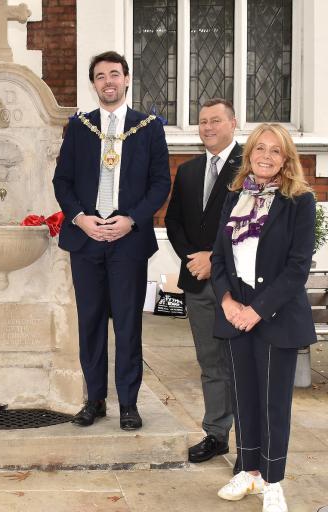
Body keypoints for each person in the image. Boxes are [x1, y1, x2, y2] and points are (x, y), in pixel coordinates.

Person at [52, 51, 170, 430]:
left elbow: (160, 183)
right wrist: (81, 219)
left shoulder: (147, 128)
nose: (108, 82)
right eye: (100, 76)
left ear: (127, 79)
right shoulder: (80, 128)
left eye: (114, 74)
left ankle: (129, 404)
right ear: (93, 84)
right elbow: (62, 181)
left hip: (128, 241)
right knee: (90, 323)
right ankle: (95, 400)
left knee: (128, 325)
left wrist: (131, 220)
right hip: (86, 240)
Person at [212, 123, 316, 512]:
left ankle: (273, 482)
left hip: (275, 316)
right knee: (244, 399)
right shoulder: (235, 195)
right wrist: (226, 301)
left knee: (273, 404)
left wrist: (257, 310)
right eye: (260, 148)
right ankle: (250, 471)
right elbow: (219, 257)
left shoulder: (300, 201)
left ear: (286, 158)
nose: (266, 156)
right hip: (235, 314)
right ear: (249, 154)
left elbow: (297, 268)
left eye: (275, 150)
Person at [165, 98, 241, 469]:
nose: (208, 127)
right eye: (203, 121)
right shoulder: (189, 170)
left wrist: (215, 258)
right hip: (197, 283)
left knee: (241, 364)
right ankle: (216, 434)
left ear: (233, 123)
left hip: (237, 286)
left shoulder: (252, 166)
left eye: (215, 120)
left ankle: (251, 444)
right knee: (211, 362)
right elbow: (173, 220)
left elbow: (252, 226)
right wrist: (194, 260)